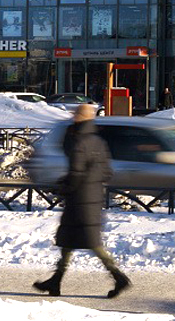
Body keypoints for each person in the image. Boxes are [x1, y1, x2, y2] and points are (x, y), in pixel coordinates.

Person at [33, 104, 131, 298]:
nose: (73, 116)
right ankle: (55, 281)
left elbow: (76, 173)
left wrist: (64, 187)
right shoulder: (98, 141)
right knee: (70, 240)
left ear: (81, 117)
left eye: (76, 114)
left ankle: (119, 277)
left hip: (79, 199)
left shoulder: (79, 141)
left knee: (91, 242)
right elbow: (106, 172)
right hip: (93, 197)